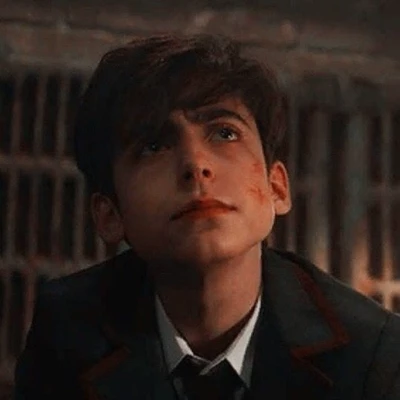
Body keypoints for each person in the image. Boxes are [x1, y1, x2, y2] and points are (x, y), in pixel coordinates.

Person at [13, 33, 400, 400]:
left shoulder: (370, 353)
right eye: (153, 145)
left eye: (225, 133)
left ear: (277, 188)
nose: (196, 165)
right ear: (110, 215)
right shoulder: (68, 331)